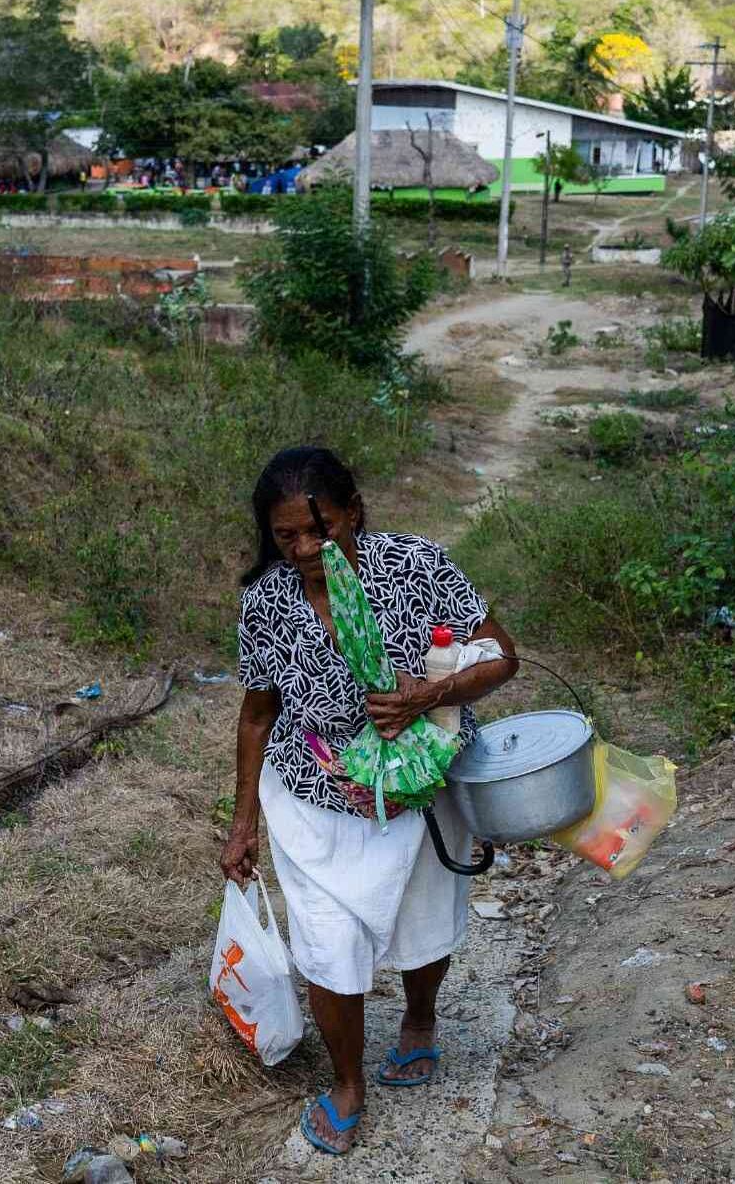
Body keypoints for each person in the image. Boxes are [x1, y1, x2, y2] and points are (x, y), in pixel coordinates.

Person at [223, 446, 519, 1156]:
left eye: (314, 531)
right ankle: (348, 1083)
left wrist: (429, 693)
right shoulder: (267, 603)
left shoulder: (417, 566)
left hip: (418, 783)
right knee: (327, 944)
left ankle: (419, 1019)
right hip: (318, 790)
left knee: (422, 917)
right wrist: (242, 823)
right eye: (284, 536)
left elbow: (501, 654)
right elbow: (258, 714)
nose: (300, 549)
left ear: (353, 512)